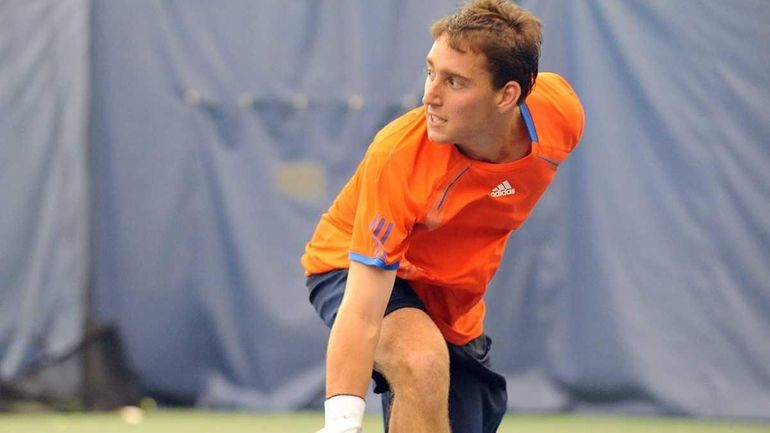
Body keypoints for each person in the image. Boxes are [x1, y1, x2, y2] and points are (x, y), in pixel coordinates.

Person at [301, 0, 584, 432]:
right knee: (421, 360)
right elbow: (361, 312)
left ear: (508, 95)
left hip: (453, 296)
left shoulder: (559, 115)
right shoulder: (399, 156)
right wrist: (341, 423)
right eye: (431, 71)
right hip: (353, 264)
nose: (429, 95)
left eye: (454, 82)